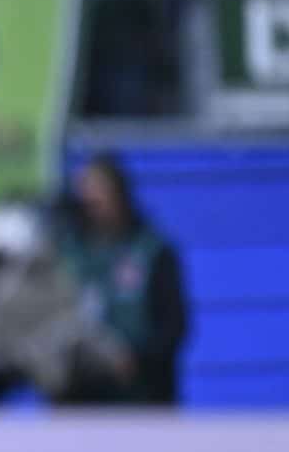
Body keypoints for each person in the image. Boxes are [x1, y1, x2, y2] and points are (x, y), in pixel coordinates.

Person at [53, 153, 188, 405]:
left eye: (99, 191)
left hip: (141, 395)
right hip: (78, 398)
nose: (91, 200)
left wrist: (136, 358)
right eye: (85, 193)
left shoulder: (152, 251)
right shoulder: (66, 253)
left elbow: (175, 326)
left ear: (120, 194)